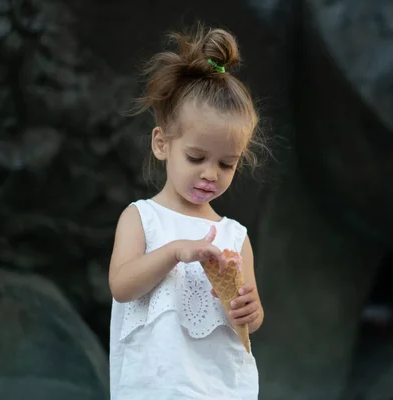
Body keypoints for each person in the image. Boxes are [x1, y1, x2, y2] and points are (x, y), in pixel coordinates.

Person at [108, 25, 265, 400]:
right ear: (162, 144)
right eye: (196, 158)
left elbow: (248, 316)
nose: (210, 174)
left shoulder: (234, 235)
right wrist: (177, 251)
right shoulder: (141, 217)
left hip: (221, 387)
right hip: (155, 385)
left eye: (227, 164)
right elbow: (121, 286)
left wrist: (251, 312)